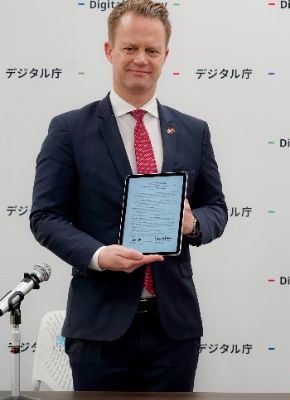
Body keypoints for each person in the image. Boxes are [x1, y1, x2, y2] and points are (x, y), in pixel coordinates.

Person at [30, 0, 227, 392]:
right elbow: (45, 217)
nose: (141, 59)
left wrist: (193, 224)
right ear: (109, 51)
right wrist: (99, 256)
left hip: (174, 329)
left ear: (166, 55)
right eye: (130, 48)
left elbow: (216, 208)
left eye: (152, 50)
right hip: (99, 330)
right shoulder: (69, 129)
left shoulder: (193, 131)